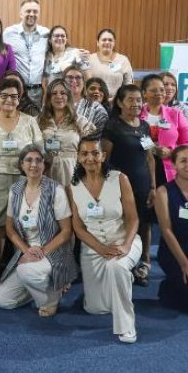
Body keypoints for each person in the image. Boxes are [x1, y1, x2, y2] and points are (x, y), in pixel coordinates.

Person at [69, 136, 142, 344]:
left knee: (115, 268)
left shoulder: (120, 178)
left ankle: (126, 326)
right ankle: (122, 282)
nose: (90, 158)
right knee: (96, 308)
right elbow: (78, 227)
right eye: (84, 153)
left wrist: (126, 246)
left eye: (95, 153)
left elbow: (133, 218)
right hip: (92, 248)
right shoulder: (73, 186)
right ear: (78, 157)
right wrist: (100, 248)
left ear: (103, 155)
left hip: (123, 240)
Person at [0, 78, 43, 295]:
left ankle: (21, 277)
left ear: (19, 98)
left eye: (13, 96)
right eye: (4, 96)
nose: (9, 100)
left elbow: (40, 156)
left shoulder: (30, 122)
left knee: (25, 231)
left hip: (25, 182)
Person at [0, 143, 77, 316]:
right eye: (29, 160)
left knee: (25, 271)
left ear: (44, 165)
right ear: (22, 164)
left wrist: (42, 251)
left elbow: (66, 232)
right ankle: (42, 287)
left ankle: (50, 299)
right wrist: (26, 251)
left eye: (39, 160)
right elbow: (9, 229)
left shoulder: (56, 190)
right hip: (27, 252)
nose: (34, 164)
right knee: (3, 301)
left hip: (53, 250)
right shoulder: (15, 190)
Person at [102, 84, 155, 287]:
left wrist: (152, 186)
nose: (136, 104)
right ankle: (126, 263)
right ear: (120, 102)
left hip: (142, 183)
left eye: (139, 100)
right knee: (124, 224)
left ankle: (145, 263)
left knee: (145, 223)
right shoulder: (112, 126)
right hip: (120, 184)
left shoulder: (144, 126)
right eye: (131, 100)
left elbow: (149, 158)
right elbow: (105, 159)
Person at [155, 146, 188, 315]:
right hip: (175, 254)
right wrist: (185, 264)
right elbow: (166, 230)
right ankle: (168, 289)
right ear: (173, 165)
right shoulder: (163, 192)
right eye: (183, 161)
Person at [37, 78, 94, 186]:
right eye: (54, 93)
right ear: (49, 97)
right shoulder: (38, 120)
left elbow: (91, 151)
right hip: (44, 173)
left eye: (63, 93)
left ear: (68, 96)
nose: (58, 96)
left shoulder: (80, 121)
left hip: (71, 173)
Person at [140, 74, 188, 185]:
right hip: (142, 167)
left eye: (161, 90)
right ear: (144, 93)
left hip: (169, 169)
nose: (159, 93)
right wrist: (152, 149)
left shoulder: (176, 114)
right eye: (154, 90)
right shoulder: (136, 114)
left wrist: (171, 152)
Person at [3, 0, 49, 110]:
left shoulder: (46, 34)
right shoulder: (9, 33)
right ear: (21, 13)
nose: (31, 14)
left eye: (35, 11)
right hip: (15, 89)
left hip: (37, 91)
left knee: (34, 124)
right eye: (28, 11)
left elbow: (61, 49)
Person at [87, 28, 132, 102]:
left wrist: (117, 99)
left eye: (110, 40)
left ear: (114, 43)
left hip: (116, 102)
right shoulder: (90, 59)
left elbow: (128, 84)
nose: (107, 42)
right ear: (97, 43)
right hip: (93, 101)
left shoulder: (123, 60)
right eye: (104, 40)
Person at [63, 65, 108, 133]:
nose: (74, 81)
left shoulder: (97, 110)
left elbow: (98, 138)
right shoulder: (52, 104)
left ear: (84, 83)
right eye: (70, 77)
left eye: (78, 77)